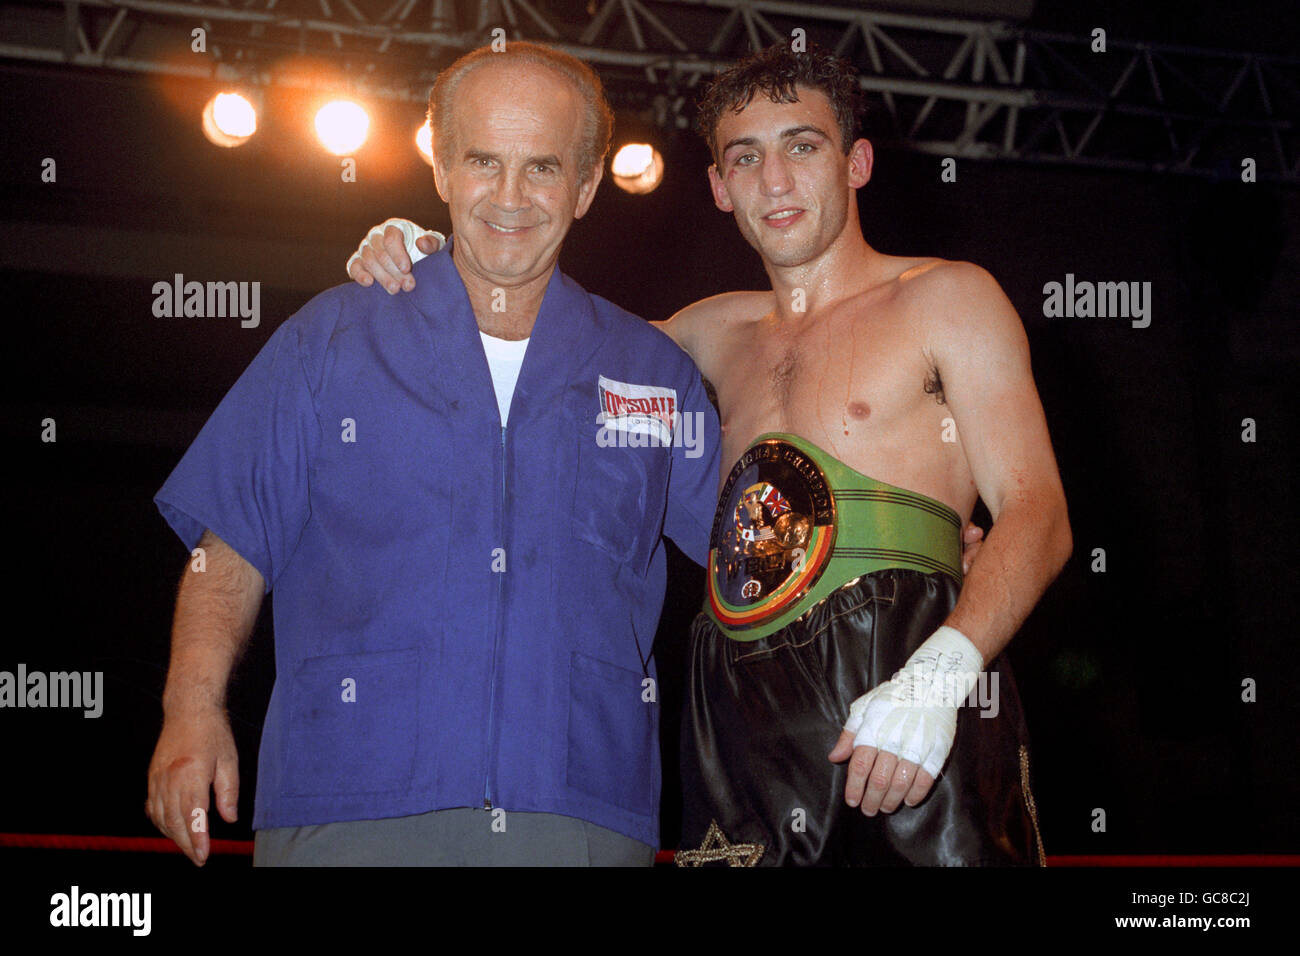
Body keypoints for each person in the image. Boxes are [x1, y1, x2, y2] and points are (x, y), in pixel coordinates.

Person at [348, 45, 1058, 867]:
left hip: (900, 657)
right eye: (745, 157)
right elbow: (535, 333)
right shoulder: (704, 333)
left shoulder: (948, 296)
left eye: (803, 146)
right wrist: (425, 253)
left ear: (856, 162)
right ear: (720, 187)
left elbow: (1038, 509)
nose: (776, 181)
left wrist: (941, 674)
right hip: (738, 692)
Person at [146, 41, 724, 867]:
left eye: (544, 167)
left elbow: (755, 554)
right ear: (442, 167)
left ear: (589, 185)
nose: (512, 197)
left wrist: (919, 548)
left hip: (577, 814)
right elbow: (229, 547)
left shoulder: (651, 371)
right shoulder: (331, 339)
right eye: (483, 161)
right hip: (348, 801)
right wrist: (189, 710)